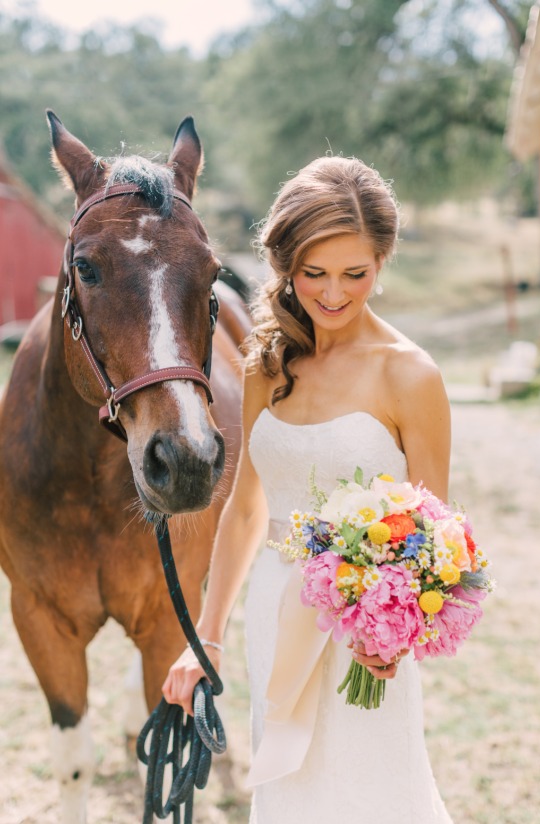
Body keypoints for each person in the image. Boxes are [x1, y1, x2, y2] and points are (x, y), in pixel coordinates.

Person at [162, 155, 454, 823]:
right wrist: (205, 634)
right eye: (313, 273)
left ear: (382, 261)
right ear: (286, 267)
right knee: (291, 793)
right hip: (275, 607)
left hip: (363, 631)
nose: (332, 294)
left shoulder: (412, 375)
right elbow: (243, 513)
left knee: (372, 791)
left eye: (356, 273)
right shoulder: (269, 364)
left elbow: (436, 525)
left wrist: (394, 634)